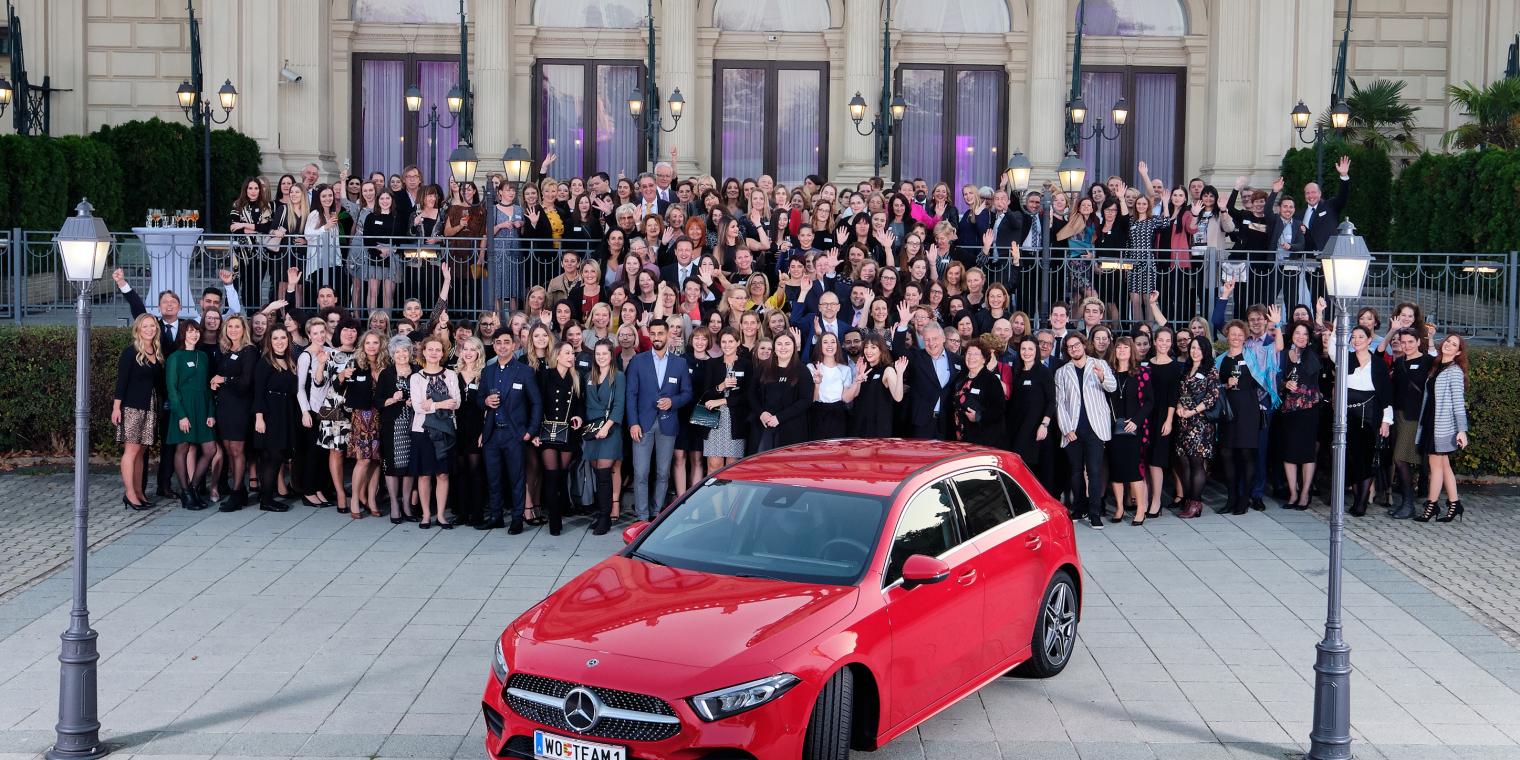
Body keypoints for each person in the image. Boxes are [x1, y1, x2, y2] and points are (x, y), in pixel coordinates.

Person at [625, 319, 691, 521]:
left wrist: (672, 401)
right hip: (642, 424)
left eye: (660, 333)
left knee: (663, 472)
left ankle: (656, 514)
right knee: (641, 472)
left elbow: (687, 393)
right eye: (652, 334)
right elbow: (631, 394)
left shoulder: (679, 363)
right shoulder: (638, 361)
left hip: (668, 423)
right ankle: (642, 516)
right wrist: (633, 423)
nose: (656, 337)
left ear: (668, 334)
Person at [481, 329, 543, 533]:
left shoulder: (524, 371)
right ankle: (496, 516)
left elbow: (536, 403)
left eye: (506, 342)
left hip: (515, 434)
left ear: (514, 345)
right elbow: (479, 398)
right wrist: (485, 401)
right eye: (498, 342)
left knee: (517, 477)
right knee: (493, 477)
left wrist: (530, 431)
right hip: (492, 433)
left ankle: (517, 518)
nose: (501, 346)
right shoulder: (487, 371)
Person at [1055, 333, 1117, 528]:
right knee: (1075, 471)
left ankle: (1095, 512)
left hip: (1095, 428)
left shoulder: (1099, 365)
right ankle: (1079, 507)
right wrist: (1066, 429)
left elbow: (1112, 388)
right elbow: (1060, 404)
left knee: (1094, 471)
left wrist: (1102, 377)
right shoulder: (1062, 372)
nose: (1074, 349)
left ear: (1084, 345)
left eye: (1077, 345)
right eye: (1070, 347)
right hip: (1073, 429)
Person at [112, 314, 166, 511]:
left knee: (142, 451)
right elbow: (122, 382)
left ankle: (139, 491)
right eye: (145, 326)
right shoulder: (131, 352)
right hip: (133, 407)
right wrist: (116, 407)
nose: (150, 329)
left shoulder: (157, 351)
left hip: (150, 408)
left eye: (152, 326)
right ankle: (130, 493)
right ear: (138, 329)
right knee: (132, 450)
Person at [1415, 334, 1470, 523]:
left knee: (1435, 466)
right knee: (1444, 465)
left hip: (1442, 425)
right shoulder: (1436, 366)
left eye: (1454, 344)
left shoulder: (1454, 371)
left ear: (1458, 352)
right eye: (1447, 341)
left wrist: (1462, 430)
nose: (1449, 345)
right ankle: (1455, 504)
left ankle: (1431, 506)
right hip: (1431, 420)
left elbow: (1458, 403)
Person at [409, 336, 461, 529]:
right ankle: (425, 515)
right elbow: (418, 407)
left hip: (446, 430)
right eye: (430, 349)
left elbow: (456, 403)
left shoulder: (451, 375)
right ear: (423, 352)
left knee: (443, 474)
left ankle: (440, 515)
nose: (433, 353)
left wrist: (431, 404)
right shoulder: (416, 377)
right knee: (424, 474)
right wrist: (440, 404)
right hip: (422, 430)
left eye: (437, 349)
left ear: (443, 353)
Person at [534, 342, 585, 536]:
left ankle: (561, 508)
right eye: (567, 353)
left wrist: (579, 416)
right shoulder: (545, 375)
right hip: (547, 432)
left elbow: (581, 403)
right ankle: (554, 521)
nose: (571, 356)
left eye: (572, 353)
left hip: (568, 432)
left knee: (562, 475)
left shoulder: (576, 377)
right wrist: (535, 431)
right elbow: (537, 404)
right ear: (557, 356)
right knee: (551, 475)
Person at [1216, 320, 1265, 516]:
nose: (1236, 338)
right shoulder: (1220, 360)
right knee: (1227, 454)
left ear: (1245, 337)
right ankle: (1231, 498)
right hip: (1228, 411)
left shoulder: (1253, 356)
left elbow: (1265, 374)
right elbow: (1214, 387)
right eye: (1232, 334)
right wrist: (1226, 384)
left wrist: (1277, 327)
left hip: (1247, 409)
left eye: (1239, 334)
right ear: (1227, 336)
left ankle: (1245, 499)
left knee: (1246, 454)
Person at [166, 321, 217, 510]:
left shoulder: (202, 356)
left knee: (210, 449)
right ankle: (185, 493)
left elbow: (207, 387)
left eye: (196, 331)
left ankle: (193, 489)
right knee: (182, 448)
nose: (194, 335)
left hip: (202, 407)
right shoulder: (175, 358)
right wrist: (181, 415)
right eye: (190, 331)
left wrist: (210, 412)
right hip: (183, 409)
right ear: (183, 334)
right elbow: (172, 389)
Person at [211, 314, 257, 511]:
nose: (233, 330)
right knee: (229, 449)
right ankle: (240, 491)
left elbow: (247, 382)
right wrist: (215, 382)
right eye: (230, 327)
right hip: (225, 407)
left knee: (237, 451)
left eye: (237, 326)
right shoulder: (226, 351)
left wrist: (224, 380)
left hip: (241, 406)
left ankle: (237, 493)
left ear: (243, 329)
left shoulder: (249, 351)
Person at [1276, 320, 1323, 510]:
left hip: (1309, 409)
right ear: (1292, 334)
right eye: (1297, 333)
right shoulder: (1285, 354)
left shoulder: (1313, 353)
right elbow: (1277, 378)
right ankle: (1293, 493)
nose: (1301, 337)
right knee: (1289, 451)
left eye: (1304, 334)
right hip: (1289, 409)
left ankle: (1304, 493)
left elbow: (1319, 334)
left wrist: (1319, 313)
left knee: (1307, 452)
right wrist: (1284, 384)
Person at [252, 327, 299, 513]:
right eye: (275, 338)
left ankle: (268, 496)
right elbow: (258, 392)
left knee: (277, 456)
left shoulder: (290, 361)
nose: (279, 341)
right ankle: (266, 499)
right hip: (270, 413)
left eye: (283, 338)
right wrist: (259, 417)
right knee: (272, 456)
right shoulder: (265, 363)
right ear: (269, 341)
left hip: (285, 412)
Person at [1106, 336, 1153, 524]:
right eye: (1118, 348)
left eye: (1126, 347)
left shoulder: (1142, 372)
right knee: (1116, 469)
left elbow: (1150, 401)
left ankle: (1141, 509)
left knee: (1134, 469)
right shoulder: (1109, 373)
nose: (1122, 351)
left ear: (1131, 350)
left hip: (1133, 428)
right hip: (1113, 428)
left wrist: (1137, 421)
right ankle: (1119, 508)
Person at [1173, 337, 1220, 519]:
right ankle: (1188, 499)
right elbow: (1181, 392)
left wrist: (1193, 411)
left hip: (1200, 423)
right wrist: (1179, 407)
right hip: (1183, 422)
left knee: (1196, 462)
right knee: (1184, 462)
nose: (1195, 351)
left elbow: (1212, 397)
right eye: (1193, 347)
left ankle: (1196, 502)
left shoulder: (1210, 370)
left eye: (1199, 348)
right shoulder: (1185, 368)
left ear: (1205, 350)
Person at [294, 319, 338, 509]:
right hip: (312, 410)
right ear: (309, 335)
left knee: (323, 453)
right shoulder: (305, 356)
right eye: (315, 333)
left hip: (329, 409)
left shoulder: (330, 352)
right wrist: (305, 412)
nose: (319, 336)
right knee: (312, 453)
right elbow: (300, 388)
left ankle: (319, 488)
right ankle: (309, 491)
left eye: (322, 332)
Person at [583, 341, 625, 535]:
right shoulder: (588, 377)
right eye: (597, 354)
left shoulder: (618, 377)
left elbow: (619, 406)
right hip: (592, 429)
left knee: (604, 473)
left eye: (604, 354)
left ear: (611, 356)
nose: (600, 357)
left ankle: (605, 517)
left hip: (609, 429)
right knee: (595, 470)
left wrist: (607, 427)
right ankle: (601, 513)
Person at [895, 321, 964, 439]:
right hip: (921, 421)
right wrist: (903, 325)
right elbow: (898, 349)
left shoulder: (957, 360)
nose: (931, 343)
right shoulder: (916, 357)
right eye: (927, 339)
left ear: (943, 338)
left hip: (947, 422)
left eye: (935, 338)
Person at [1388, 328, 1430, 519]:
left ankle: (1408, 504)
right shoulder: (1399, 363)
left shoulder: (1428, 362)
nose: (1406, 346)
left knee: (1400, 458)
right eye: (1403, 342)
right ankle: (1406, 502)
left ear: (1418, 342)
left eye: (1410, 342)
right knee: (1402, 459)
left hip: (1414, 418)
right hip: (1397, 415)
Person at [750, 331, 815, 451]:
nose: (783, 347)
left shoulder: (802, 371)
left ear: (794, 347)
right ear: (774, 347)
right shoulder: (763, 367)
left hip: (791, 429)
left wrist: (779, 418)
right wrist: (761, 413)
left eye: (787, 344)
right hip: (765, 426)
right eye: (779, 344)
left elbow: (805, 400)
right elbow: (751, 394)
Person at [345, 329, 386, 518]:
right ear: (363, 345)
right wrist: (341, 376)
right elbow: (340, 386)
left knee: (376, 460)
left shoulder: (387, 365)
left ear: (381, 345)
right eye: (368, 343)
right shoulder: (356, 364)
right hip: (362, 416)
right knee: (364, 460)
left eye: (375, 343)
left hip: (382, 416)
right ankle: (354, 498)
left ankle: (371, 499)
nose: (371, 346)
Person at [1143, 327, 1183, 518]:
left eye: (1168, 341)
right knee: (1145, 459)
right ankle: (1144, 498)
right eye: (1161, 340)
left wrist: (1168, 421)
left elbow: (1173, 396)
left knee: (1156, 461)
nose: (1164, 344)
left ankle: (1156, 501)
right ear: (1155, 341)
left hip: (1162, 417)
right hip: (1145, 416)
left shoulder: (1175, 366)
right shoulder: (1145, 364)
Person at [450, 337, 488, 527]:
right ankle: (462, 513)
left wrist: (484, 432)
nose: (468, 352)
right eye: (465, 348)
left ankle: (477, 513)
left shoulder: (485, 374)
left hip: (477, 428)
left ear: (479, 352)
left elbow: (488, 407)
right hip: (457, 428)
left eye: (473, 349)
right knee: (460, 470)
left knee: (475, 470)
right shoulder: (452, 374)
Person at [954, 336, 1006, 447]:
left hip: (984, 439)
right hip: (961, 437)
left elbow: (999, 409)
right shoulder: (960, 378)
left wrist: (979, 417)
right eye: (968, 353)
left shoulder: (991, 380)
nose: (971, 357)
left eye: (976, 354)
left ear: (984, 358)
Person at [849, 335, 904, 438]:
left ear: (881, 350)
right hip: (860, 426)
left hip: (878, 429)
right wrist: (857, 376)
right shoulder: (864, 369)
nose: (868, 350)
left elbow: (898, 397)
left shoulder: (888, 370)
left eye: (873, 347)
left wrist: (900, 373)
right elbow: (855, 395)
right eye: (866, 347)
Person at [808, 332, 856, 440]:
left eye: (833, 342)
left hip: (838, 413)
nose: (829, 345)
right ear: (820, 346)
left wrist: (857, 381)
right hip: (817, 413)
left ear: (837, 346)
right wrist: (817, 384)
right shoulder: (812, 367)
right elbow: (812, 400)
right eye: (825, 342)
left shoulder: (845, 369)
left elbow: (846, 398)